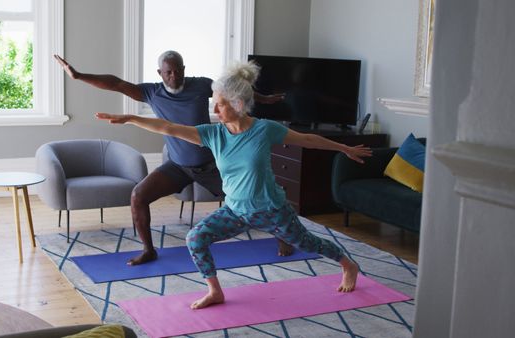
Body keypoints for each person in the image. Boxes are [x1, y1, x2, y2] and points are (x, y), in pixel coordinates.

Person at [94, 60, 370, 309]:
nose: (214, 109)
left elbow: (309, 140)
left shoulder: (264, 129)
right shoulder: (213, 134)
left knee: (309, 243)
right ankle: (215, 291)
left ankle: (348, 264)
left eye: (220, 103)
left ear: (238, 104)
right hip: (236, 211)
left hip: (273, 210)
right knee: (195, 238)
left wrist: (343, 148)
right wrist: (130, 118)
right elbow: (168, 127)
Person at [54, 51, 292, 265]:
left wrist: (265, 99)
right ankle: (149, 250)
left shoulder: (201, 85)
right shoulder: (151, 92)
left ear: (184, 69)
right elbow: (116, 83)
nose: (174, 75)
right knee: (138, 195)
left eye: (178, 70)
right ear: (160, 73)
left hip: (210, 165)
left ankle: (283, 236)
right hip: (178, 166)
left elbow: (235, 91)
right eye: (168, 72)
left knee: (253, 198)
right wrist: (78, 76)